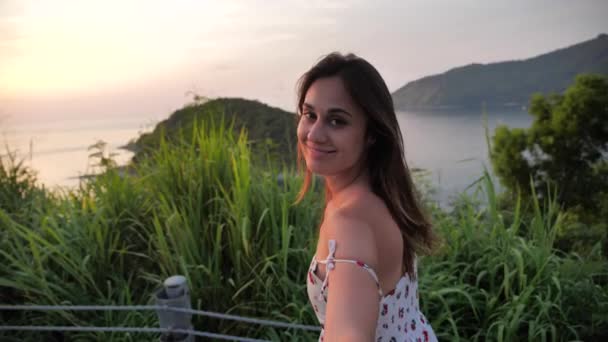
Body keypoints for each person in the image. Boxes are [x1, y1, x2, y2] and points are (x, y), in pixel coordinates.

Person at [295, 52, 438, 342]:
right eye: (310, 115)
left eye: (337, 121)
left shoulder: (349, 221)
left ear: (371, 134)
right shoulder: (380, 195)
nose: (315, 134)